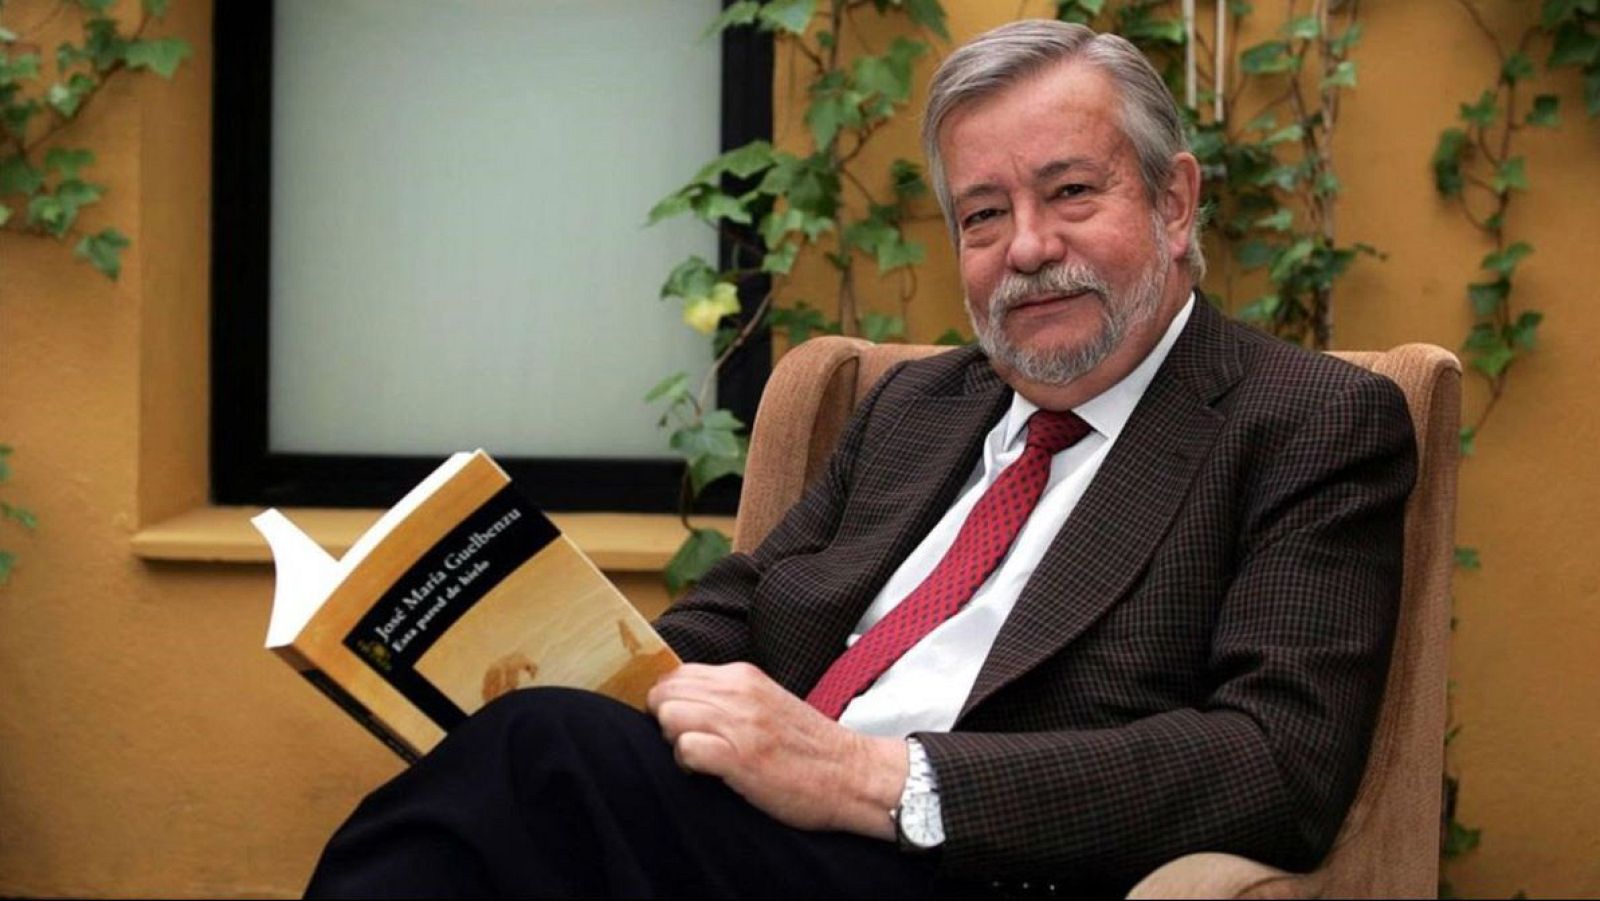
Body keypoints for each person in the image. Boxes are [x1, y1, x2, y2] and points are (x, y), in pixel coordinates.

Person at [305, 19, 1415, 899]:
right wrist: (557, 661)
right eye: (983, 216)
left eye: (1071, 192)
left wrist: (877, 779)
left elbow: (1275, 762)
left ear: (1174, 202)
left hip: (971, 859)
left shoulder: (1304, 419)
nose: (1027, 247)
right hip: (744, 832)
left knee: (534, 761)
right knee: (529, 751)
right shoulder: (914, 408)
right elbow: (735, 616)